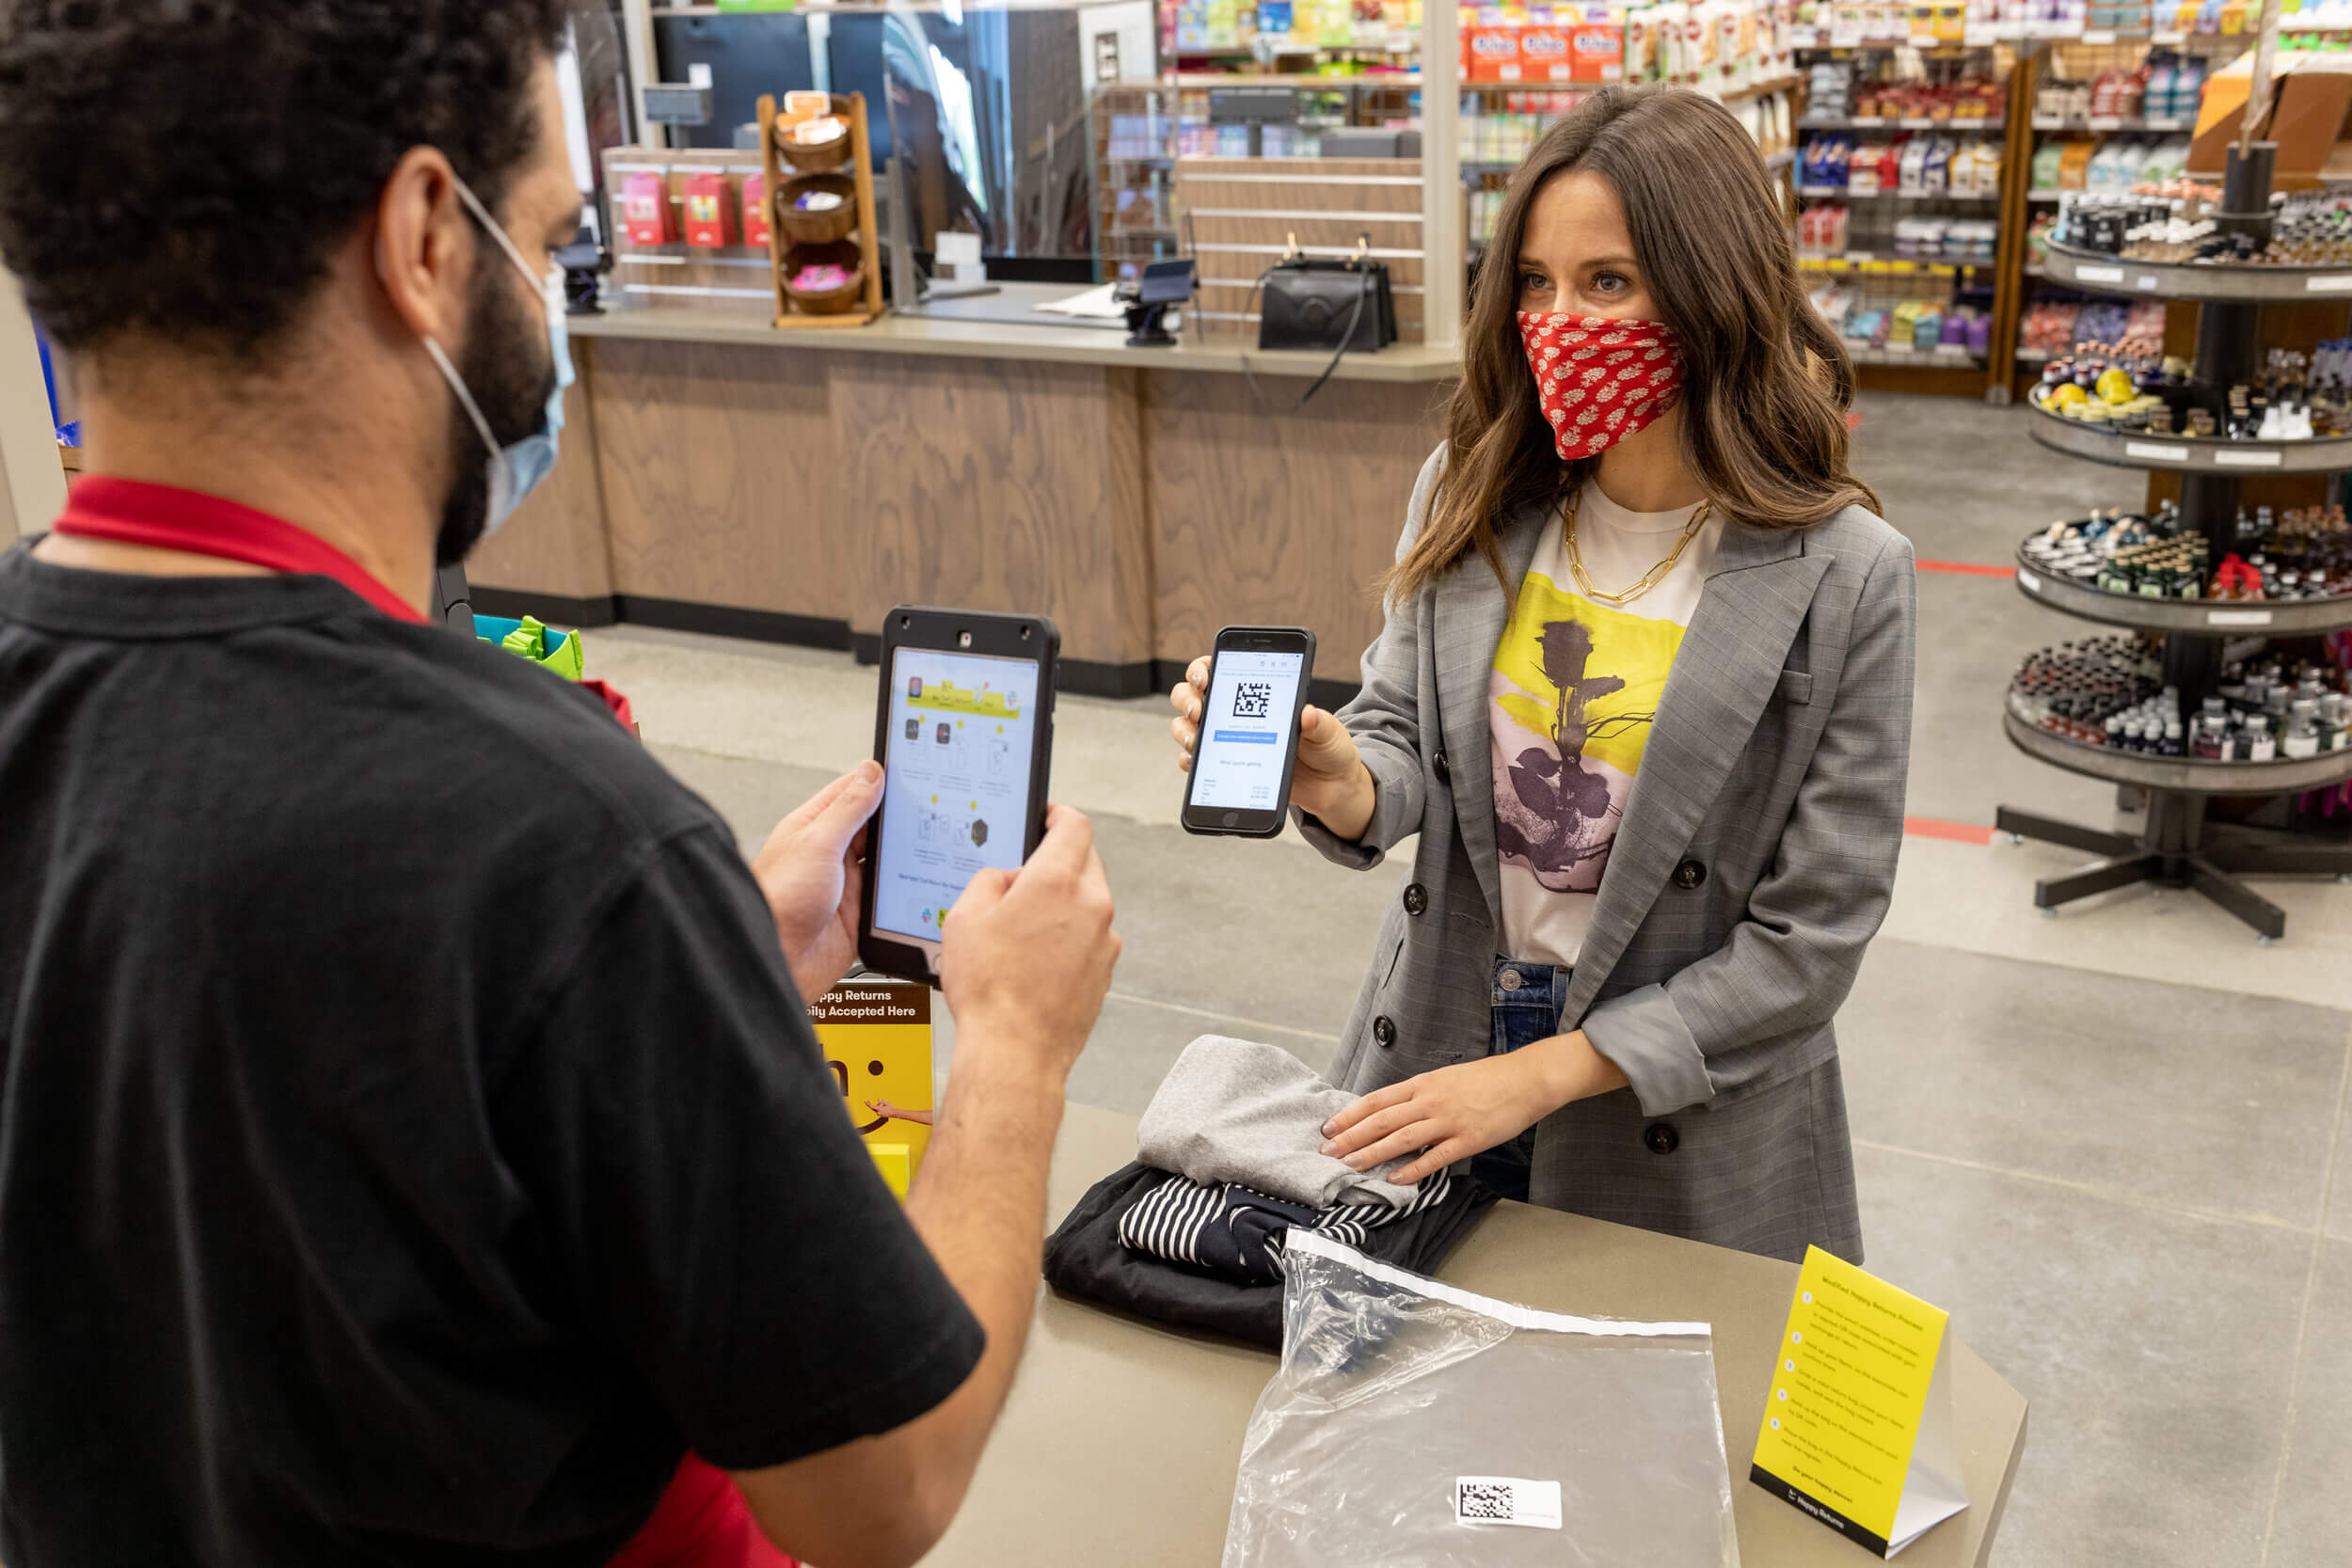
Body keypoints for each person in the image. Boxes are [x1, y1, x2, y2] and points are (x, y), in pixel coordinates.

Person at [0, 5, 1120, 1566]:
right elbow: (881, 1486)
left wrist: (685, 988)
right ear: (421, 236)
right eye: (549, 239)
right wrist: (1015, 1047)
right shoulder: (554, 833)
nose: (553, 299)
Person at [1170, 86, 1914, 1263]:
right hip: (1439, 1045)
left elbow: (1810, 938)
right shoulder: (1473, 489)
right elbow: (1404, 735)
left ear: (1712, 288)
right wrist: (1342, 776)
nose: (1559, 319)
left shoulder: (1844, 573)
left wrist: (1542, 1073)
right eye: (1533, 281)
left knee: (1648, 1422)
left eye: (1608, 281)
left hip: (1668, 1098)